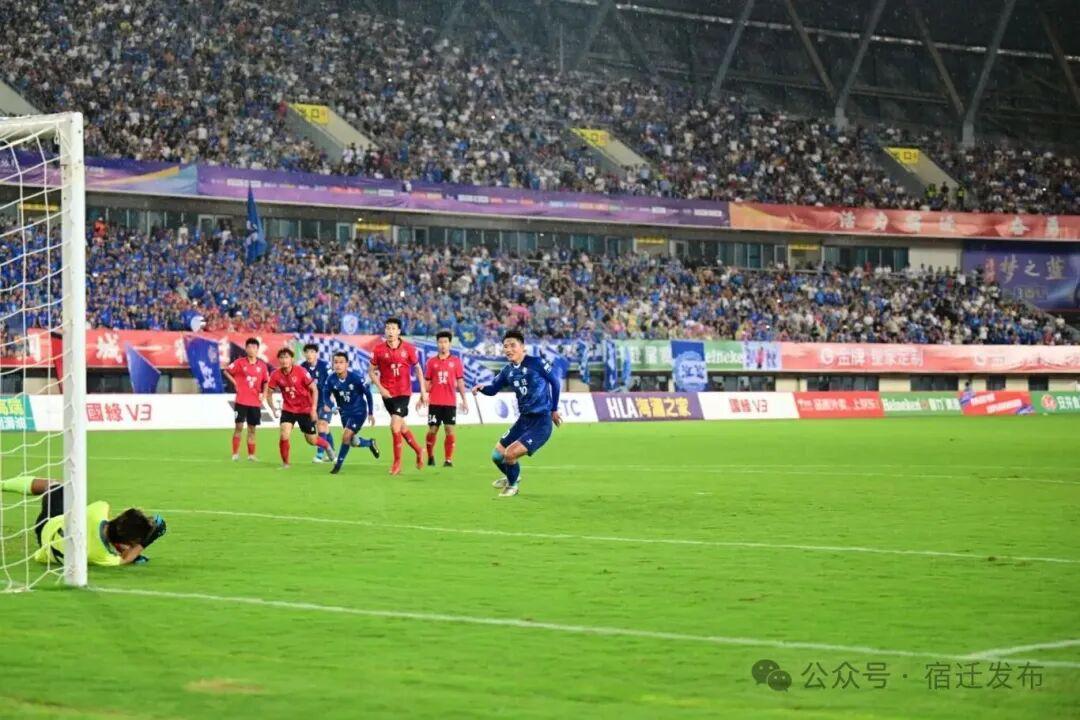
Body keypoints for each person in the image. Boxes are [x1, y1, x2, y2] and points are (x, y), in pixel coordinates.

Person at [0, 475, 166, 567]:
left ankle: (3, 484)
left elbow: (112, 524)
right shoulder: (100, 555)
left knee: (57, 486)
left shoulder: (99, 509)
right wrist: (146, 541)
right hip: (47, 544)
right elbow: (125, 559)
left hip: (50, 526)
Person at [472, 330, 562, 498]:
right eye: (505, 346)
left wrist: (554, 409)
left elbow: (555, 383)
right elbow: (493, 389)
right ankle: (513, 476)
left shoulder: (537, 363)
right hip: (524, 421)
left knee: (510, 454)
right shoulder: (507, 371)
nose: (508, 349)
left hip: (541, 423)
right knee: (497, 456)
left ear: (522, 347)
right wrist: (482, 388)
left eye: (512, 345)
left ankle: (512, 486)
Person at [369, 317, 428, 475]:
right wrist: (381, 388)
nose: (390, 331)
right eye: (388, 328)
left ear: (399, 331)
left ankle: (397, 463)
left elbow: (418, 369)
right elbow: (371, 371)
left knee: (394, 425)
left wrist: (423, 391)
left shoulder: (408, 348)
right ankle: (418, 450)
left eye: (393, 328)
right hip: (387, 394)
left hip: (403, 393)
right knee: (401, 427)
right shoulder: (378, 349)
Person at [265, 347, 336, 469]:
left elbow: (314, 389)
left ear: (292, 359)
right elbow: (269, 393)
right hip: (288, 409)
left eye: (286, 357)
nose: (284, 360)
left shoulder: (301, 371)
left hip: (304, 409)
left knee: (311, 440)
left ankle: (327, 446)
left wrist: (313, 409)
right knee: (284, 434)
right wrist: (273, 408)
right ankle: (286, 464)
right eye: (281, 358)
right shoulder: (275, 375)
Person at [323, 352, 380, 474]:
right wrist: (331, 406)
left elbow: (368, 394)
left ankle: (338, 465)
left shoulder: (356, 378)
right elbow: (325, 395)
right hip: (344, 414)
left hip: (358, 412)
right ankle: (370, 443)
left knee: (346, 436)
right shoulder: (331, 379)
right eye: (335, 362)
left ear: (347, 364)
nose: (338, 365)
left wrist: (370, 413)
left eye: (341, 362)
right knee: (353, 441)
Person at [419, 330, 469, 467]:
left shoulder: (456, 362)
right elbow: (427, 382)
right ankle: (430, 456)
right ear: (437, 344)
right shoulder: (431, 362)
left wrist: (464, 400)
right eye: (440, 342)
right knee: (432, 430)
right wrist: (421, 397)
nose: (443, 345)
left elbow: (460, 382)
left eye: (445, 342)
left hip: (450, 402)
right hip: (434, 402)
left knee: (449, 430)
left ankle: (448, 460)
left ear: (450, 344)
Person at [223, 337, 270, 461]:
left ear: (257, 349)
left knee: (252, 429)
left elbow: (266, 381)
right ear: (246, 349)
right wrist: (235, 382)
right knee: (238, 427)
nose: (251, 349)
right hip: (241, 401)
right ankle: (235, 454)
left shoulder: (262, 365)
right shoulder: (240, 362)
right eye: (249, 347)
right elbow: (226, 371)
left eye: (254, 347)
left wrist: (265, 394)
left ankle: (251, 455)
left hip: (255, 402)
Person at [300, 343, 336, 463]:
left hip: (325, 399)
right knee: (324, 428)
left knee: (321, 424)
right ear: (304, 354)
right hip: (310, 402)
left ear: (317, 354)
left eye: (312, 352)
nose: (309, 354)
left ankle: (319, 455)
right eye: (307, 352)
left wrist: (331, 401)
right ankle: (332, 453)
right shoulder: (302, 367)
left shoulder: (325, 366)